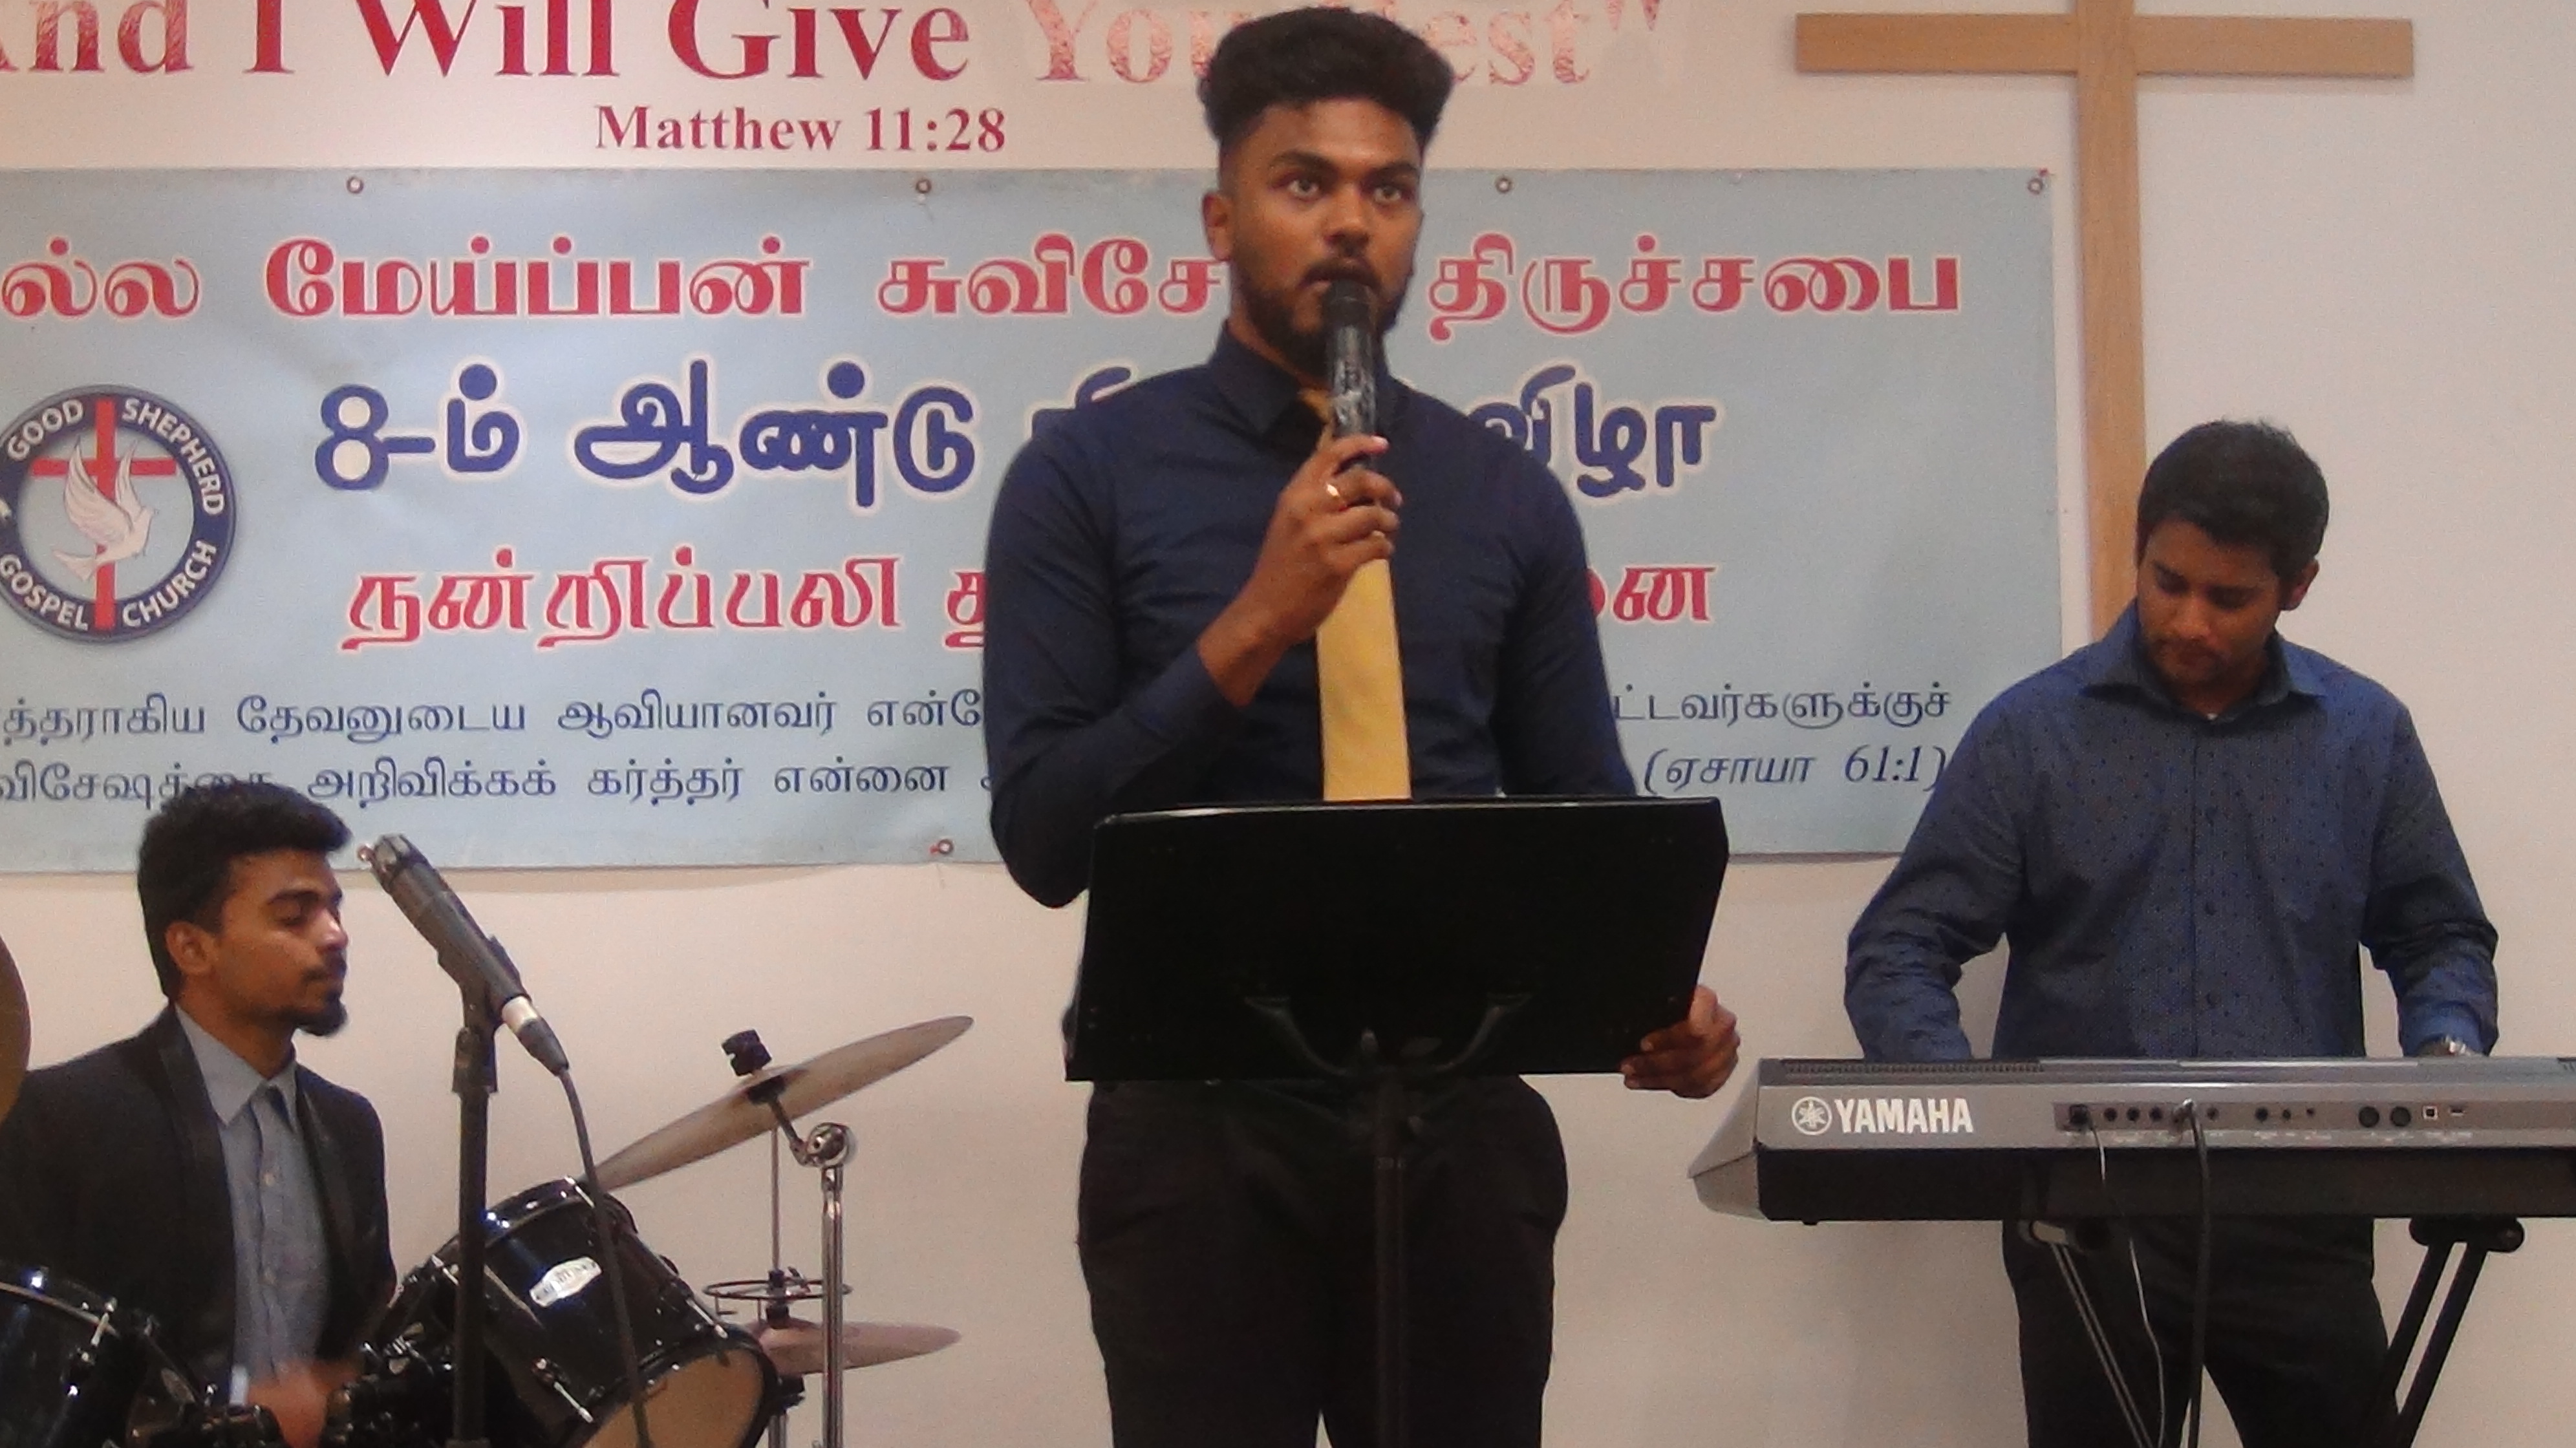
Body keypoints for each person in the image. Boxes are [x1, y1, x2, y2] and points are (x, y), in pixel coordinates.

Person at [981, 8, 1740, 1446]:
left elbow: (1586, 816)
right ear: (1222, 218)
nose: (1349, 222)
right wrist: (1258, 620)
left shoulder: (1504, 495)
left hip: (1462, 1125)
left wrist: (1659, 1000)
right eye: (1304, 182)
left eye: (1386, 190)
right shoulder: (1087, 476)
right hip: (1200, 1135)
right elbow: (1041, 835)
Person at [1843, 420, 2498, 1448]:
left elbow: (2439, 931)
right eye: (2167, 582)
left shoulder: (2363, 735)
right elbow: (1902, 946)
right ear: (2139, 550)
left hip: (2302, 1210)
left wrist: (2448, 1063)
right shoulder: (2032, 734)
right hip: (2090, 1221)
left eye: (2228, 598)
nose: (2189, 621)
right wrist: (1964, 1111)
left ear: (2297, 587)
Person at [0, 780, 394, 1448]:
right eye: (294, 915)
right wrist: (242, 1409)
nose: (335, 935)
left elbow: (364, 1342)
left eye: (333, 908)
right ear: (191, 947)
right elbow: (27, 1375)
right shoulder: (57, 1121)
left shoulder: (349, 1126)